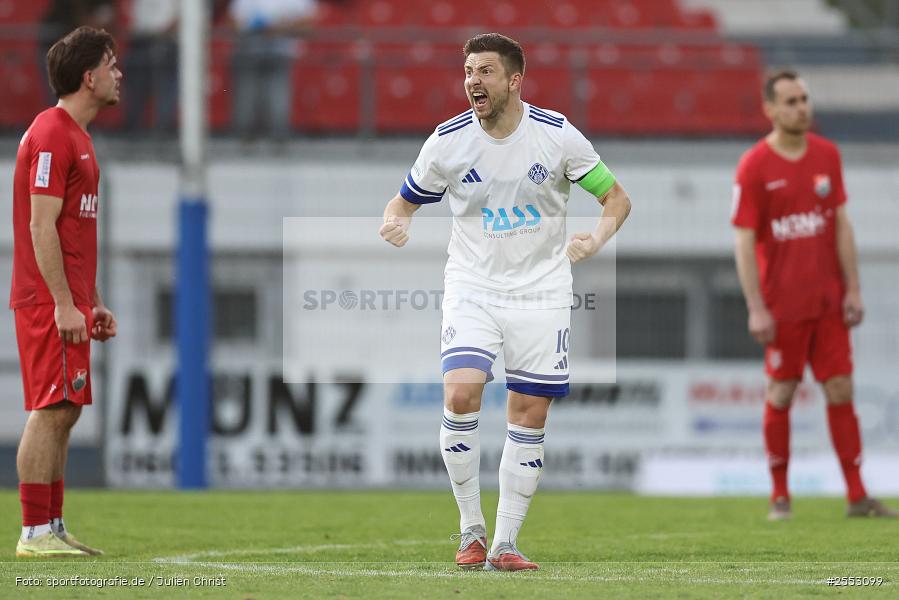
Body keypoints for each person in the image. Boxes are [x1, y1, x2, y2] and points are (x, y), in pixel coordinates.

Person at [379, 33, 631, 571]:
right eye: (469, 70)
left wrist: (595, 239)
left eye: (486, 71)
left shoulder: (558, 138)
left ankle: (505, 543)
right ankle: (471, 529)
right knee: (463, 392)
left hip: (542, 291)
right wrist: (394, 221)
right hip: (473, 286)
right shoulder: (447, 143)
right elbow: (402, 202)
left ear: (515, 80)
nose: (473, 80)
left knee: (528, 412)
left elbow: (616, 197)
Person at [732, 70, 897, 521]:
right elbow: (744, 242)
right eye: (790, 101)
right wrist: (756, 307)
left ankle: (858, 496)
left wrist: (854, 288)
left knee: (842, 388)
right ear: (769, 109)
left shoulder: (827, 155)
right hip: (783, 306)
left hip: (829, 303)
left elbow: (842, 224)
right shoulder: (754, 166)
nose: (801, 107)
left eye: (805, 99)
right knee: (781, 393)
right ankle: (780, 496)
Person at [11, 26, 121, 557]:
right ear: (88, 76)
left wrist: (90, 299)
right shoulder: (52, 132)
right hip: (45, 300)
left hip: (70, 300)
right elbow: (40, 226)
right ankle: (33, 533)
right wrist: (60, 303)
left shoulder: (80, 138)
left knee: (67, 408)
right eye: (111, 63)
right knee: (51, 407)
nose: (118, 72)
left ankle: (51, 526)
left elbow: (75, 233)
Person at [227, 0, 317, 141]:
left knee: (278, 100)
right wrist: (256, 27)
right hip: (249, 53)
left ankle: (278, 141)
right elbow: (233, 22)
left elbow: (308, 25)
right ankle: (245, 140)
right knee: (247, 99)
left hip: (280, 53)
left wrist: (280, 28)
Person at [123, 0, 178, 134]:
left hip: (166, 42)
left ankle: (162, 129)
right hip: (141, 42)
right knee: (137, 87)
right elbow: (135, 21)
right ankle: (134, 129)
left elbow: (177, 19)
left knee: (164, 88)